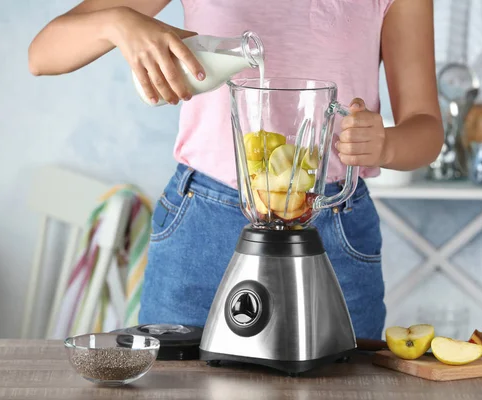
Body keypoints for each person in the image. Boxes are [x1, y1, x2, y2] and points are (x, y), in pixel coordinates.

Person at [29, 0, 443, 340]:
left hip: (333, 229)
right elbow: (42, 55)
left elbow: (426, 127)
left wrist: (386, 144)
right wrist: (118, 22)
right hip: (202, 231)